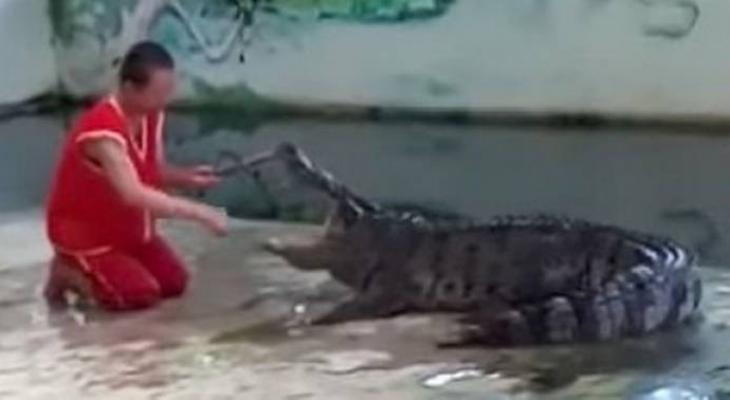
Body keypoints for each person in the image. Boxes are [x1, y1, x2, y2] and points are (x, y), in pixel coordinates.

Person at [44, 41, 228, 311]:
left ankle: (104, 268)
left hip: (129, 232)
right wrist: (201, 213)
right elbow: (132, 193)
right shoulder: (102, 132)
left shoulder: (150, 114)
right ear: (130, 88)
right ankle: (68, 270)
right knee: (138, 296)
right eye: (159, 92)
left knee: (173, 284)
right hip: (87, 236)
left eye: (168, 90)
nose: (166, 99)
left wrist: (185, 178)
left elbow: (150, 169)